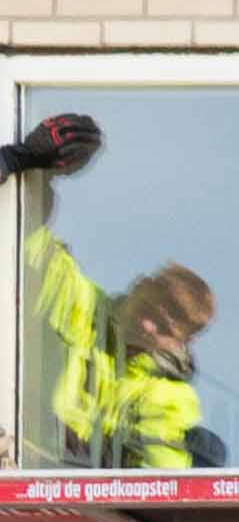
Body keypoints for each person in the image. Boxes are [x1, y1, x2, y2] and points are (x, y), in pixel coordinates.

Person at [2, 112, 221, 470]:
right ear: (137, 286)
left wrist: (91, 460)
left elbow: (160, 485)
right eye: (149, 308)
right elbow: (19, 236)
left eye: (164, 328)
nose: (147, 326)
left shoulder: (168, 398)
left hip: (65, 497)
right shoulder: (74, 298)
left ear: (182, 342)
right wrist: (33, 167)